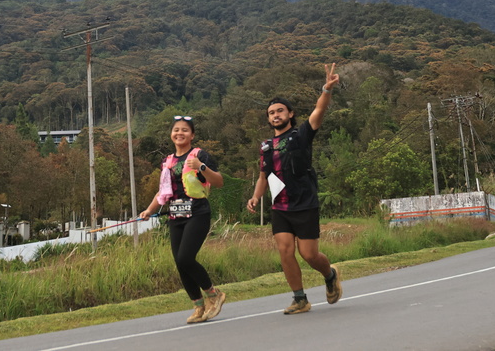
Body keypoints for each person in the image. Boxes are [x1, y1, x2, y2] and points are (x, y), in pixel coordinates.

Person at [246, 63, 343, 314]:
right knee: (285, 251)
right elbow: (263, 175)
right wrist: (256, 197)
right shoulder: (266, 146)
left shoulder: (301, 135)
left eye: (280, 110)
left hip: (305, 202)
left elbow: (319, 110)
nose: (275, 115)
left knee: (309, 255)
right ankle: (300, 299)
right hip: (280, 206)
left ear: (290, 113)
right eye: (271, 113)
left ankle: (330, 275)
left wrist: (327, 89)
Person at [140, 115, 226, 324]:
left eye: (185, 130)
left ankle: (214, 295)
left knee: (185, 258)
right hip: (175, 216)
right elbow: (163, 191)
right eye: (176, 129)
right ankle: (198, 305)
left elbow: (219, 182)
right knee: (180, 263)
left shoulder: (199, 155)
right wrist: (149, 210)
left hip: (197, 213)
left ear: (192, 135)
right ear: (171, 134)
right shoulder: (167, 161)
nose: (180, 133)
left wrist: (201, 166)